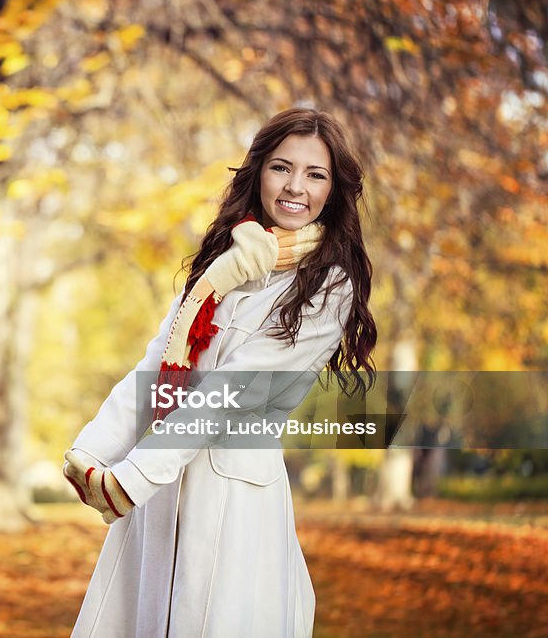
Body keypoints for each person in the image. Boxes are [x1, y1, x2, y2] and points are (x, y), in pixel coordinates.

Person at [62, 107, 377, 638]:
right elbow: (156, 363)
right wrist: (91, 453)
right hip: (162, 490)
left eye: (315, 174)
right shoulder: (223, 263)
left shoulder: (330, 286)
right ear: (258, 173)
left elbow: (234, 391)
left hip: (232, 498)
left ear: (333, 190)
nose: (294, 186)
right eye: (282, 167)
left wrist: (133, 477)